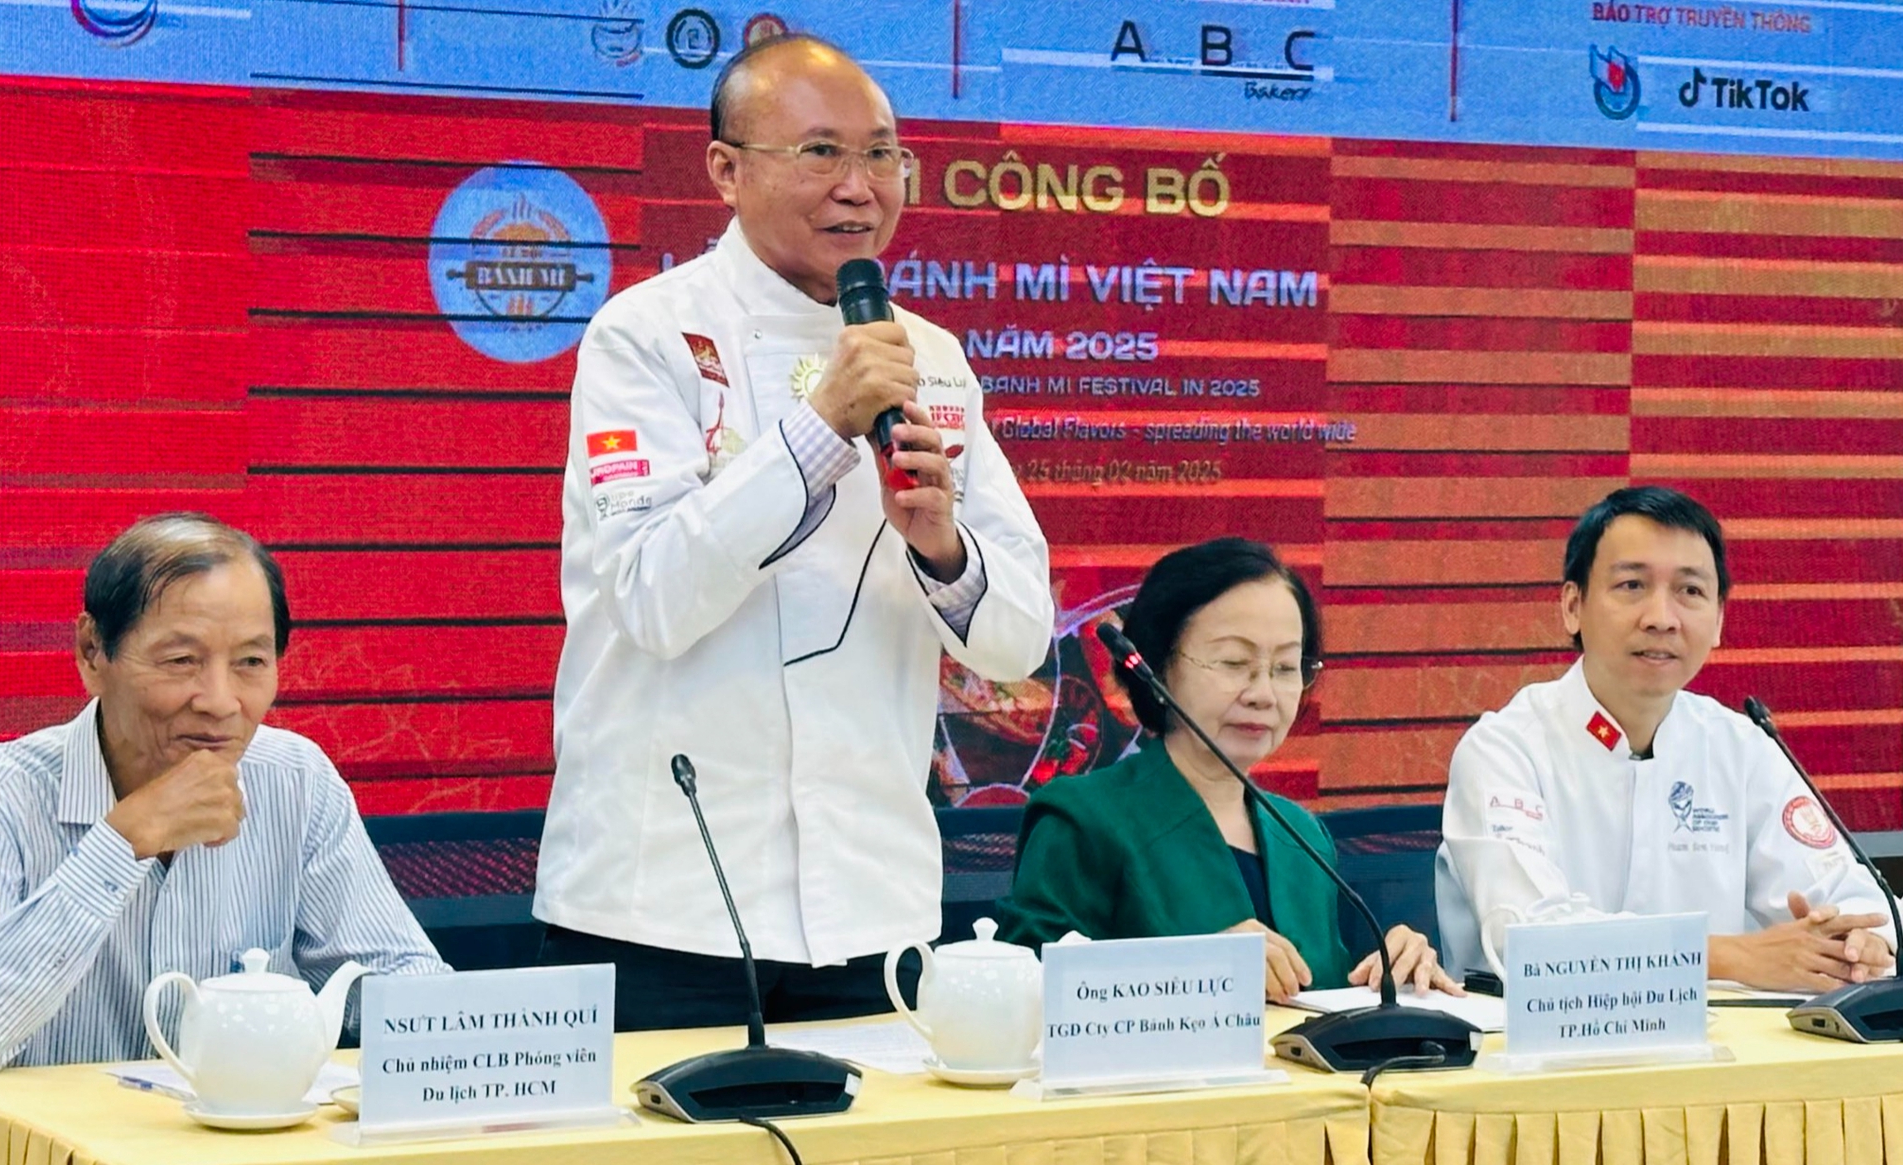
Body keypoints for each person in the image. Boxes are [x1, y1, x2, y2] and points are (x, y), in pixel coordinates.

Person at [534, 34, 1053, 1029]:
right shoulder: (644, 335)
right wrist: (818, 433)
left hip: (875, 906)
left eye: (882, 155)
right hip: (662, 904)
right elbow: (649, 595)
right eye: (819, 153)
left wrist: (941, 545)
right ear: (724, 170)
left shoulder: (930, 358)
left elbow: (1018, 641)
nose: (860, 187)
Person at [0, 514, 447, 1074]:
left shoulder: (296, 779)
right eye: (182, 661)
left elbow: (401, 983)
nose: (220, 701)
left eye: (250, 662)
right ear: (93, 652)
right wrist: (123, 842)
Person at [1436, 486, 1896, 990]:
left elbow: (1849, 895)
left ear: (1719, 619)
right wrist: (1729, 956)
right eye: (1632, 585)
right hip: (1537, 1054)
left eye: (1690, 591)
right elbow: (1531, 939)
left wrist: (1864, 945)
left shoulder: (1742, 746)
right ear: (1573, 606)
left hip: (1726, 1054)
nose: (1661, 617)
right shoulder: (1504, 749)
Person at [999, 540, 1457, 1002]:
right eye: (1235, 663)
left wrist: (1391, 973)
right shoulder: (1082, 819)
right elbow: (1024, 989)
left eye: (1284, 667)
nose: (1263, 693)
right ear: (1157, 666)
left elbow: (1324, 1002)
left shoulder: (1301, 835)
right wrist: (1196, 971)